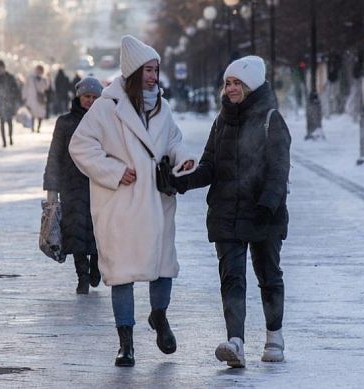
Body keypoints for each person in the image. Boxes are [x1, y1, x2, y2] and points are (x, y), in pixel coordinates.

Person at [68, 35, 196, 367]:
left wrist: (183, 159)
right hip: (121, 203)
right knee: (122, 272)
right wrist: (113, 171)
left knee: (163, 265)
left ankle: (160, 316)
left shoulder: (162, 107)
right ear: (133, 71)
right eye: (148, 70)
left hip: (155, 199)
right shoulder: (106, 107)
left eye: (156, 70)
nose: (154, 77)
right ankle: (125, 343)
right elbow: (80, 146)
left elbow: (173, 141)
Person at [174, 56, 291, 367]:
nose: (231, 88)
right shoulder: (221, 121)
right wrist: (180, 181)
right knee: (232, 279)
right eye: (228, 83)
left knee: (268, 276)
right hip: (226, 211)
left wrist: (267, 204)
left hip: (264, 212)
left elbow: (279, 170)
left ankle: (274, 337)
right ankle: (236, 341)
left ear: (251, 85)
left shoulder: (271, 119)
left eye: (237, 83)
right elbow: (210, 166)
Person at [43, 77, 104, 294]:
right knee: (75, 232)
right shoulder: (65, 122)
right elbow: (55, 155)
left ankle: (97, 266)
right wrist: (52, 187)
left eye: (95, 97)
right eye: (87, 96)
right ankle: (83, 276)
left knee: (99, 230)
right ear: (79, 97)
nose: (90, 101)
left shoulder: (106, 122)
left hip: (99, 184)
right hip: (72, 185)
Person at [0, 60, 21, 147]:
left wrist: (16, 98)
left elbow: (16, 89)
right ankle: (4, 141)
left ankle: (10, 137)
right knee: (2, 122)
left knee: (10, 121)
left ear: (4, 68)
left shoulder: (10, 77)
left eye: (1, 68)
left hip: (9, 102)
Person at [23, 64, 50, 133]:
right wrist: (25, 96)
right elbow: (26, 87)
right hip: (32, 98)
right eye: (37, 70)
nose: (38, 71)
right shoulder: (30, 78)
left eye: (40, 70)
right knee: (32, 113)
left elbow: (46, 87)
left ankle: (38, 127)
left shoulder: (44, 79)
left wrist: (44, 79)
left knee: (40, 114)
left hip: (40, 98)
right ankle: (32, 127)